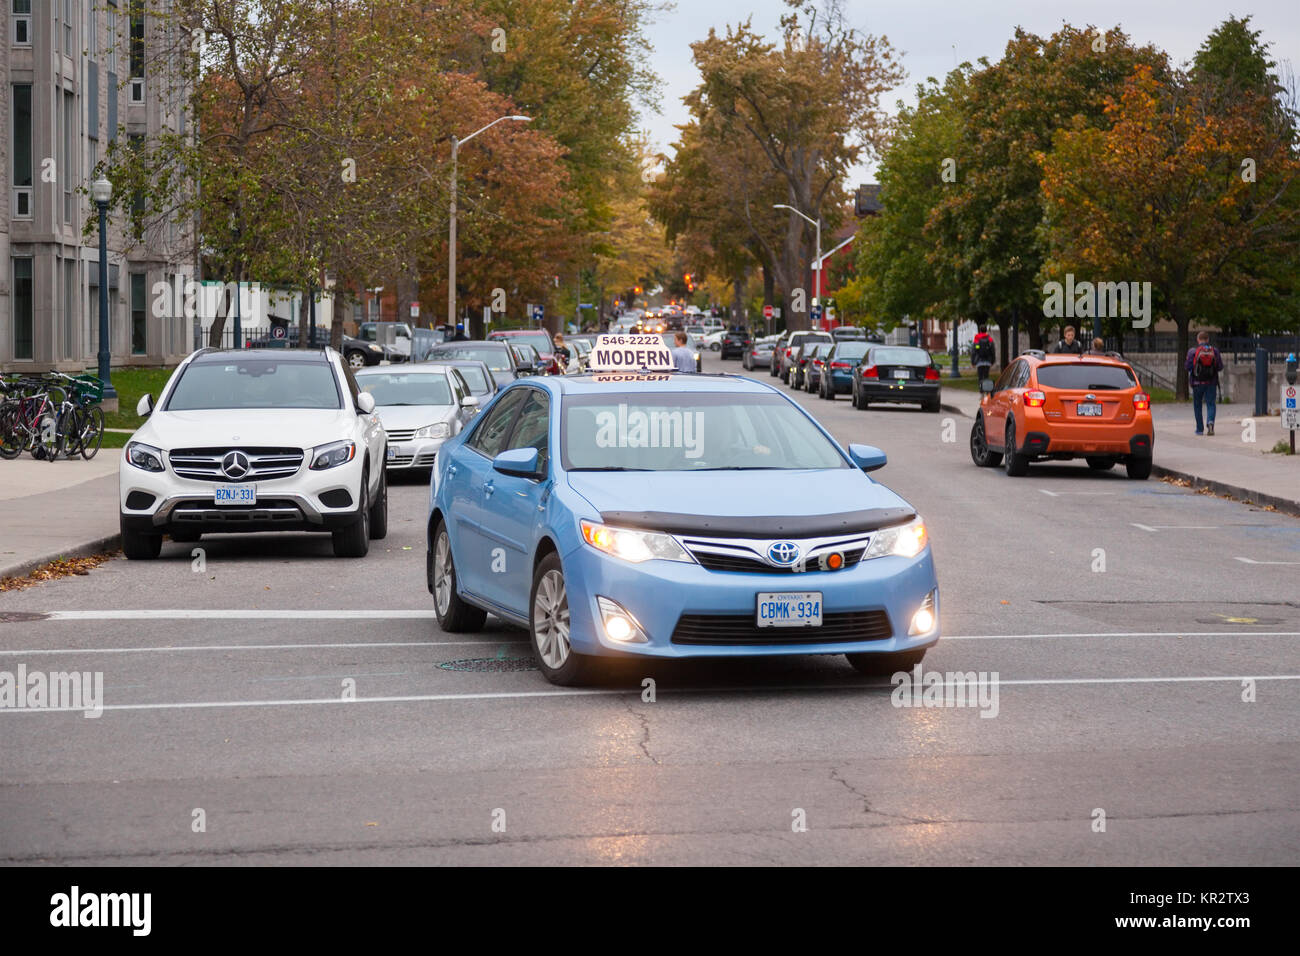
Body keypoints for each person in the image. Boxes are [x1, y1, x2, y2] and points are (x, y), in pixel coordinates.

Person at [1185, 330, 1224, 436]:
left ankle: (1199, 429)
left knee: (1197, 405)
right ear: (1208, 340)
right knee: (1211, 404)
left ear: (1198, 340)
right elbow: (1220, 367)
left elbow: (1187, 367)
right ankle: (1210, 422)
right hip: (1211, 382)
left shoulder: (1192, 351)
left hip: (1197, 383)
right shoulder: (1214, 351)